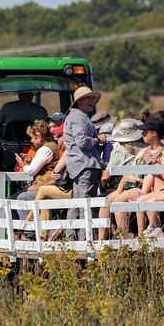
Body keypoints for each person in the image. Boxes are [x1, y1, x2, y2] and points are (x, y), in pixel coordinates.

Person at [107, 116, 164, 236]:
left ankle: (139, 236)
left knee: (125, 199)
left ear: (154, 133)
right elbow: (128, 172)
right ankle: (124, 239)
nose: (141, 134)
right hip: (139, 186)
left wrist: (137, 179)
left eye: (144, 132)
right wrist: (119, 189)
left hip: (149, 188)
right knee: (112, 201)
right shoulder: (143, 151)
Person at [63, 86, 106, 238]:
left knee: (76, 203)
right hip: (85, 164)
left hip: (79, 165)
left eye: (93, 99)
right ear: (79, 101)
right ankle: (85, 240)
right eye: (89, 98)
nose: (92, 101)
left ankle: (70, 239)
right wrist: (97, 140)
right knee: (85, 204)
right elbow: (82, 142)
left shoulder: (76, 116)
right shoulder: (78, 117)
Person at [97, 118, 146, 239]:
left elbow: (106, 176)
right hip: (129, 184)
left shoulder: (120, 150)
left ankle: (120, 240)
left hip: (136, 185)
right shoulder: (145, 148)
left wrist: (104, 186)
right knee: (106, 203)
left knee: (112, 202)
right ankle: (103, 241)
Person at [14, 121, 60, 219]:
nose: (31, 141)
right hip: (47, 184)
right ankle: (23, 231)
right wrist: (30, 161)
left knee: (20, 198)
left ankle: (27, 230)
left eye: (32, 137)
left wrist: (21, 163)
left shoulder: (45, 149)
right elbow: (45, 166)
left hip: (46, 186)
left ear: (39, 137)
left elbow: (31, 171)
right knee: (15, 198)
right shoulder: (52, 145)